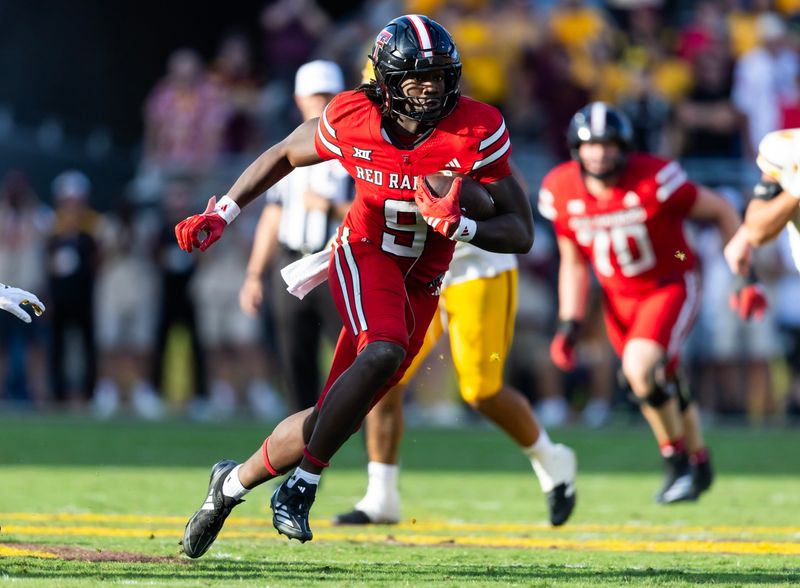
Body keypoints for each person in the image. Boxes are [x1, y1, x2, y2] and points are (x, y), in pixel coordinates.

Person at [175, 14, 533, 557]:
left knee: (332, 411)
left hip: (424, 279)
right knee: (384, 350)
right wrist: (225, 210)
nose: (430, 88)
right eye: (416, 78)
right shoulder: (353, 117)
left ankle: (228, 485)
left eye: (439, 76)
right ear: (385, 81)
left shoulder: (476, 128)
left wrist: (463, 223)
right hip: (364, 252)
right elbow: (283, 154)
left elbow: (520, 231)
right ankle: (303, 486)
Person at [538, 102, 761, 504]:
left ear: (624, 147)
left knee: (639, 370)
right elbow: (572, 263)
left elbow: (722, 210)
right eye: (591, 145)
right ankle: (699, 464)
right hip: (618, 299)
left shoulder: (655, 178)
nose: (600, 153)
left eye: (608, 144)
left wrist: (743, 277)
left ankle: (675, 461)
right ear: (576, 149)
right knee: (660, 381)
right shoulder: (560, 189)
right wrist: (569, 323)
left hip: (670, 279)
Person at [332, 238, 577, 528]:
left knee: (481, 391)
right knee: (383, 373)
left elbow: (514, 218)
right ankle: (381, 495)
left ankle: (550, 458)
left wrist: (463, 220)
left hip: (475, 266)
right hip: (417, 265)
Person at [239, 60, 351, 412]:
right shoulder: (286, 152)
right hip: (291, 262)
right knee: (295, 364)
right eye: (314, 95)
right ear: (299, 99)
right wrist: (255, 274)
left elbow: (379, 211)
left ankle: (373, 456)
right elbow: (273, 215)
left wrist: (330, 208)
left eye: (327, 95)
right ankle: (302, 456)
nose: (320, 103)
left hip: (338, 262)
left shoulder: (353, 151)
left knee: (354, 362)